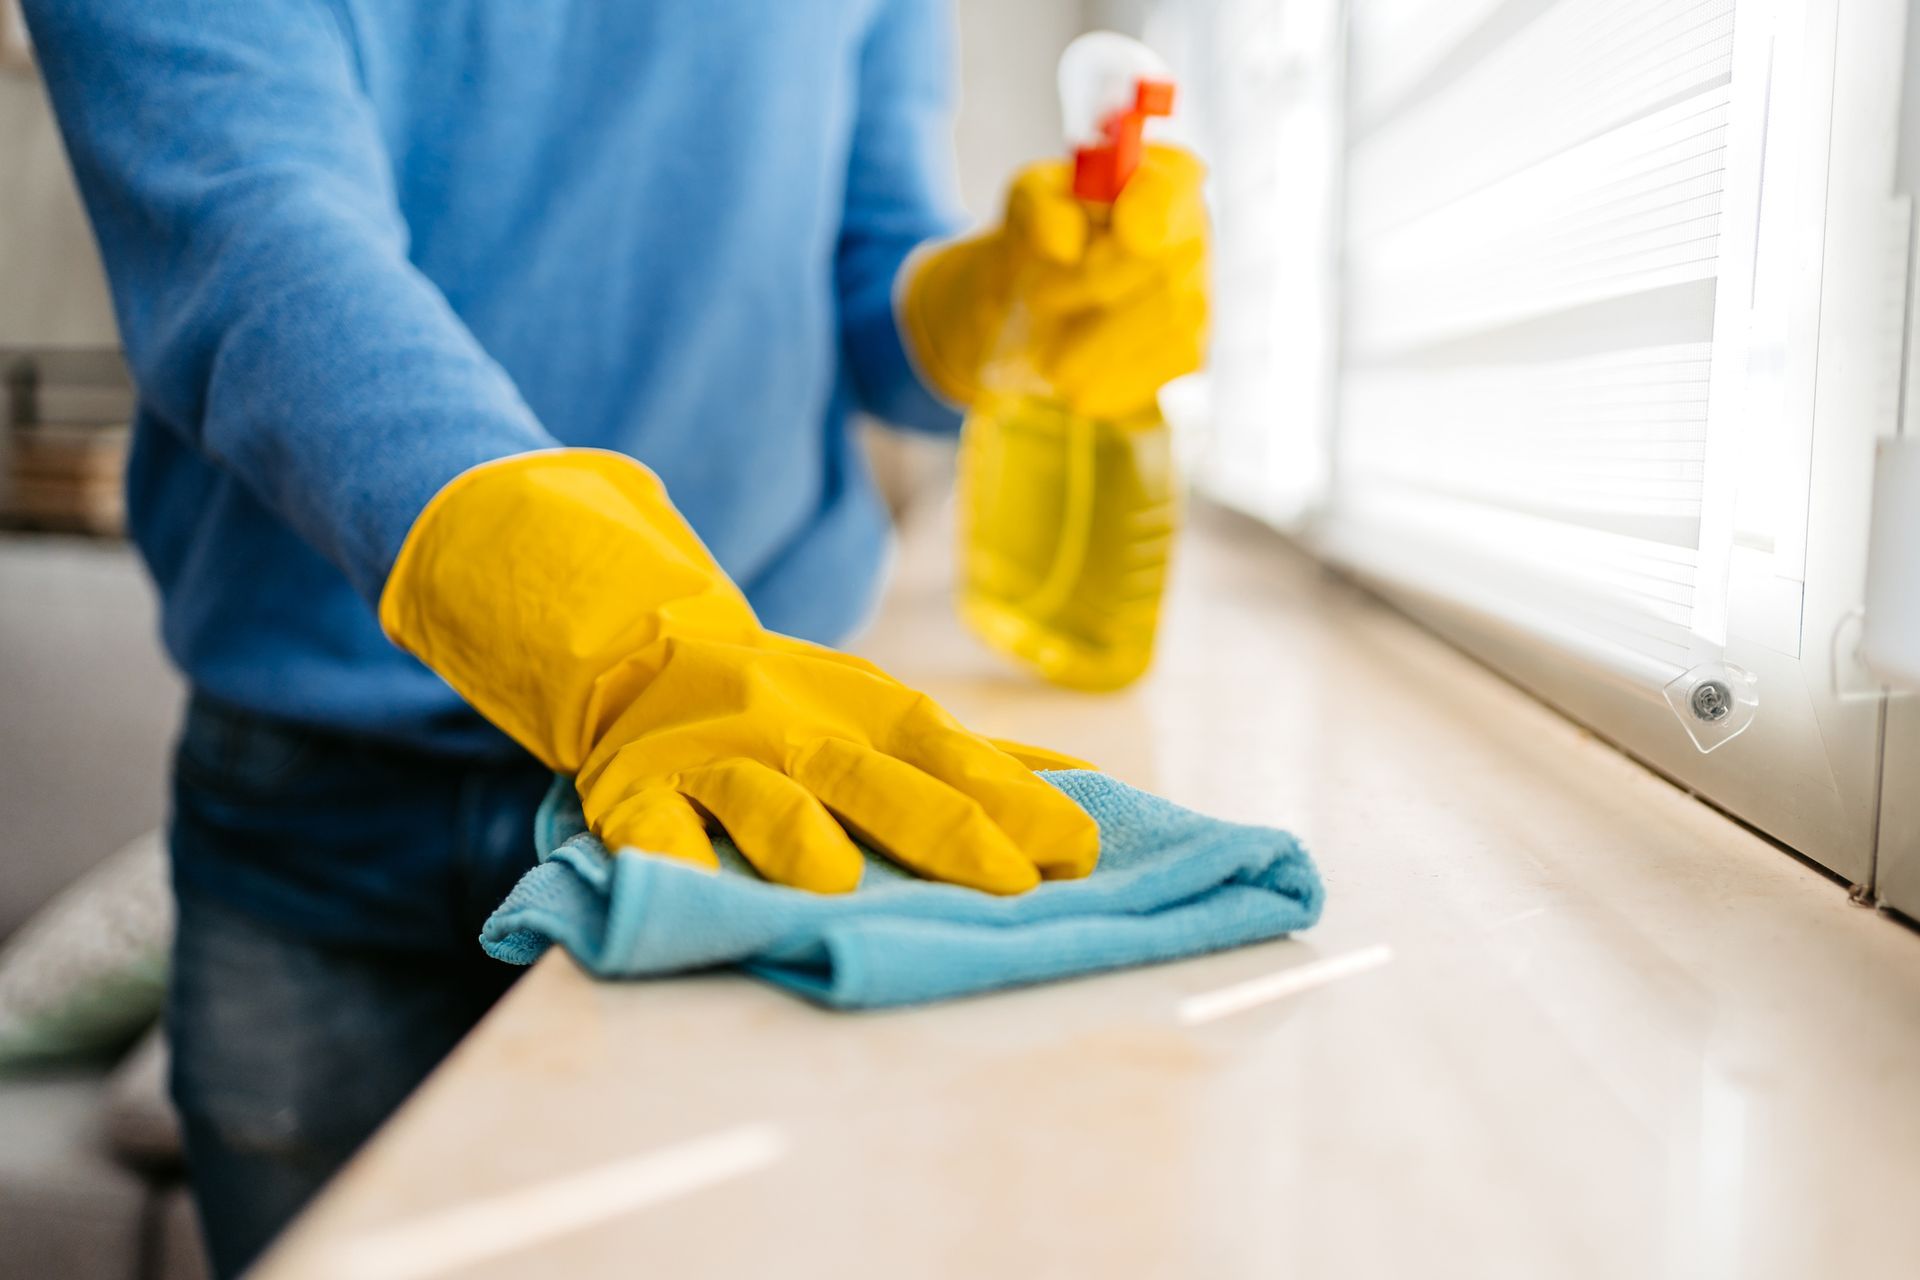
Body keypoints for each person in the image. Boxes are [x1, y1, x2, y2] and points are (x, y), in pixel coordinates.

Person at [21, 1, 1208, 1274]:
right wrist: (622, 638)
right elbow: (251, 241)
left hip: (744, 798)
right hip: (323, 809)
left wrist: (1002, 303)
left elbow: (866, 278)